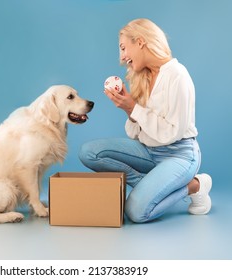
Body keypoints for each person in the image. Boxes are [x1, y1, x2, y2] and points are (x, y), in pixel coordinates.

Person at [79, 18, 212, 223]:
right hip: (149, 151)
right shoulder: (143, 77)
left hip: (180, 155)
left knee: (136, 211)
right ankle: (147, 183)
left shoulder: (177, 75)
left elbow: (172, 133)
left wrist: (133, 107)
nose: (122, 58)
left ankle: (195, 185)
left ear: (140, 41)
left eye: (123, 48)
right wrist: (128, 108)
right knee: (89, 152)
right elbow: (135, 133)